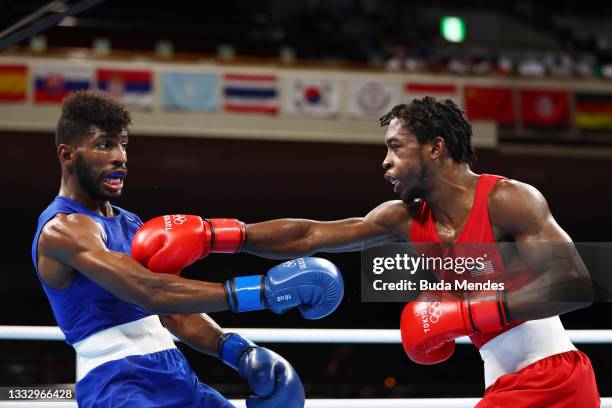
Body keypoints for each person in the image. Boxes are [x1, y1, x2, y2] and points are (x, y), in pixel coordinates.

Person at [136, 97, 599, 406]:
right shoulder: (404, 218)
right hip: (505, 382)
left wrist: (467, 317)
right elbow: (309, 236)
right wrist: (221, 235)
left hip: (553, 377)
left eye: (396, 148)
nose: (385, 162)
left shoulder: (508, 199)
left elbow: (576, 284)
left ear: (435, 148)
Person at [31, 90, 344, 408]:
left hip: (174, 372)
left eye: (123, 145)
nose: (120, 157)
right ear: (67, 155)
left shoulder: (130, 224)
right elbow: (149, 291)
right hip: (117, 383)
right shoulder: (62, 230)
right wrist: (262, 291)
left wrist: (238, 350)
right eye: (104, 145)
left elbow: (173, 311)